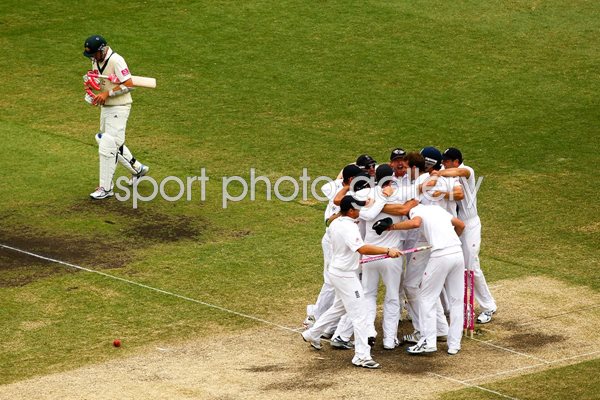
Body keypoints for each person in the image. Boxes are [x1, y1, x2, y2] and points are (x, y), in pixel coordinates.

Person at [302, 195, 402, 369]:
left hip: (338, 271)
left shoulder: (336, 223)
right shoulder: (349, 228)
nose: (360, 211)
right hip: (345, 275)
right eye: (357, 209)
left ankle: (313, 333)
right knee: (360, 315)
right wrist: (387, 250)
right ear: (350, 211)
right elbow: (361, 248)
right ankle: (361, 356)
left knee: (339, 308)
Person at [381, 204, 465, 355]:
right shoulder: (437, 209)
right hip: (457, 253)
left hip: (441, 255)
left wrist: (391, 227)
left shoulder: (416, 211)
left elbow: (415, 223)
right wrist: (449, 239)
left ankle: (428, 341)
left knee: (426, 298)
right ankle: (454, 345)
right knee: (457, 300)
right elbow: (461, 225)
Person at [435, 147, 497, 324]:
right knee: (454, 267)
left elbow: (457, 172)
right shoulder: (445, 172)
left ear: (456, 161)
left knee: (471, 267)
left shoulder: (466, 171)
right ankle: (455, 308)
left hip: (470, 226)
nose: (443, 163)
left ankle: (488, 306)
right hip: (454, 226)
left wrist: (438, 175)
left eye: (446, 161)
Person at [82, 35, 149, 200]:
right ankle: (138, 169)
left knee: (107, 144)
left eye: (94, 54)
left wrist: (107, 94)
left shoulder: (117, 60)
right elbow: (102, 82)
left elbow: (129, 84)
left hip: (119, 107)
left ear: (102, 50)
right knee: (107, 142)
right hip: (107, 107)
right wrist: (94, 94)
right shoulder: (96, 60)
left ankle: (106, 188)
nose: (92, 58)